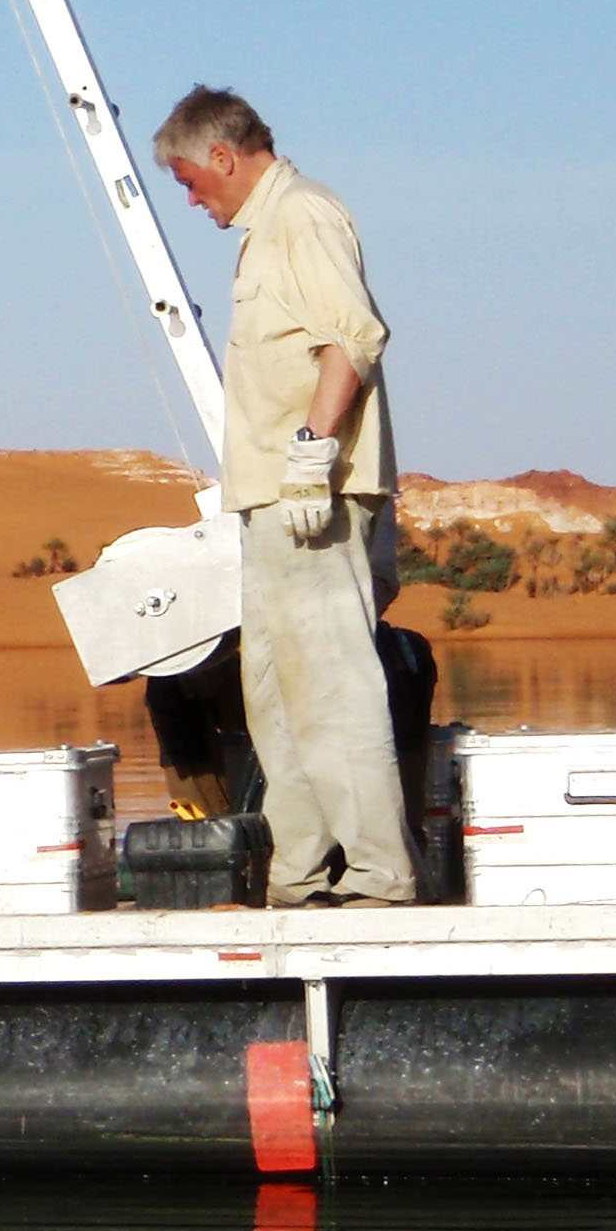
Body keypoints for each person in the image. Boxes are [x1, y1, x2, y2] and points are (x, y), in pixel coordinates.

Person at [153, 85, 414, 905]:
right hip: (270, 501)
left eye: (193, 181)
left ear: (225, 157)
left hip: (309, 496)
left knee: (332, 683)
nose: (194, 199)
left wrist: (311, 453)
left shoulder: (301, 215)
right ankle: (301, 873)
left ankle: (379, 872)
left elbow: (354, 335)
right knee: (276, 691)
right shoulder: (266, 231)